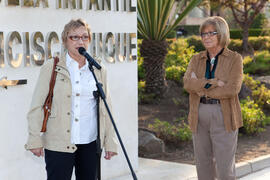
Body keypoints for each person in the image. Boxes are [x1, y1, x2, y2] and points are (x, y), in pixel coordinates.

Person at [25, 19, 118, 180]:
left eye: (84, 37)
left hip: (90, 142)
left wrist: (109, 140)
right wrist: (34, 139)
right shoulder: (52, 67)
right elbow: (37, 105)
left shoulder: (98, 68)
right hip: (59, 142)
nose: (80, 41)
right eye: (74, 37)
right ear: (65, 41)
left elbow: (106, 108)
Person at [183, 16, 243, 180]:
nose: (206, 37)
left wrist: (201, 87)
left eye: (211, 33)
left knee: (225, 169)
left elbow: (232, 89)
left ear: (221, 34)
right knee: (203, 166)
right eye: (203, 34)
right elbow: (188, 84)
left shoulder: (234, 59)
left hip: (224, 115)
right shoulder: (196, 59)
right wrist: (215, 82)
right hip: (199, 114)